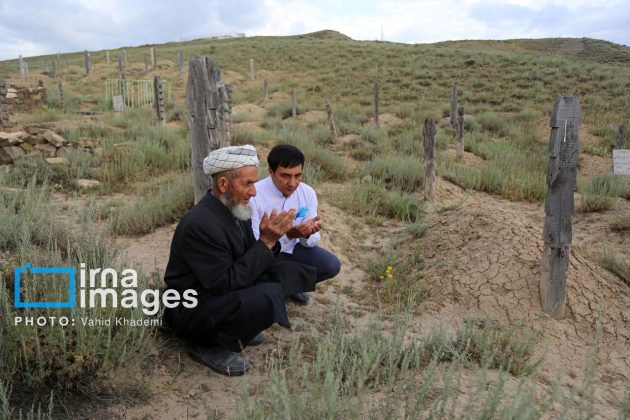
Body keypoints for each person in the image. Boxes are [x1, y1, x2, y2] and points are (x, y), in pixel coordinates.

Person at [163, 144, 318, 377]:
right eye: (247, 184)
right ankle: (204, 343)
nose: (254, 192)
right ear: (223, 184)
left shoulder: (237, 209)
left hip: (216, 293)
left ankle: (236, 328)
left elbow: (248, 258)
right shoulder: (200, 224)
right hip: (190, 307)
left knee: (289, 273)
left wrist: (273, 241)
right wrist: (265, 243)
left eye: (254, 183)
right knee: (266, 297)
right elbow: (223, 283)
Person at [249, 144, 341, 305]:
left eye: (298, 176)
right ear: (271, 171)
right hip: (263, 255)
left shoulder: (307, 192)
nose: (292, 183)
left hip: (294, 249)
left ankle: (289, 287)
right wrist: (288, 234)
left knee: (330, 265)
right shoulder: (254, 195)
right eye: (285, 176)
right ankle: (268, 294)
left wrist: (307, 233)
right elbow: (254, 244)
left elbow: (312, 242)